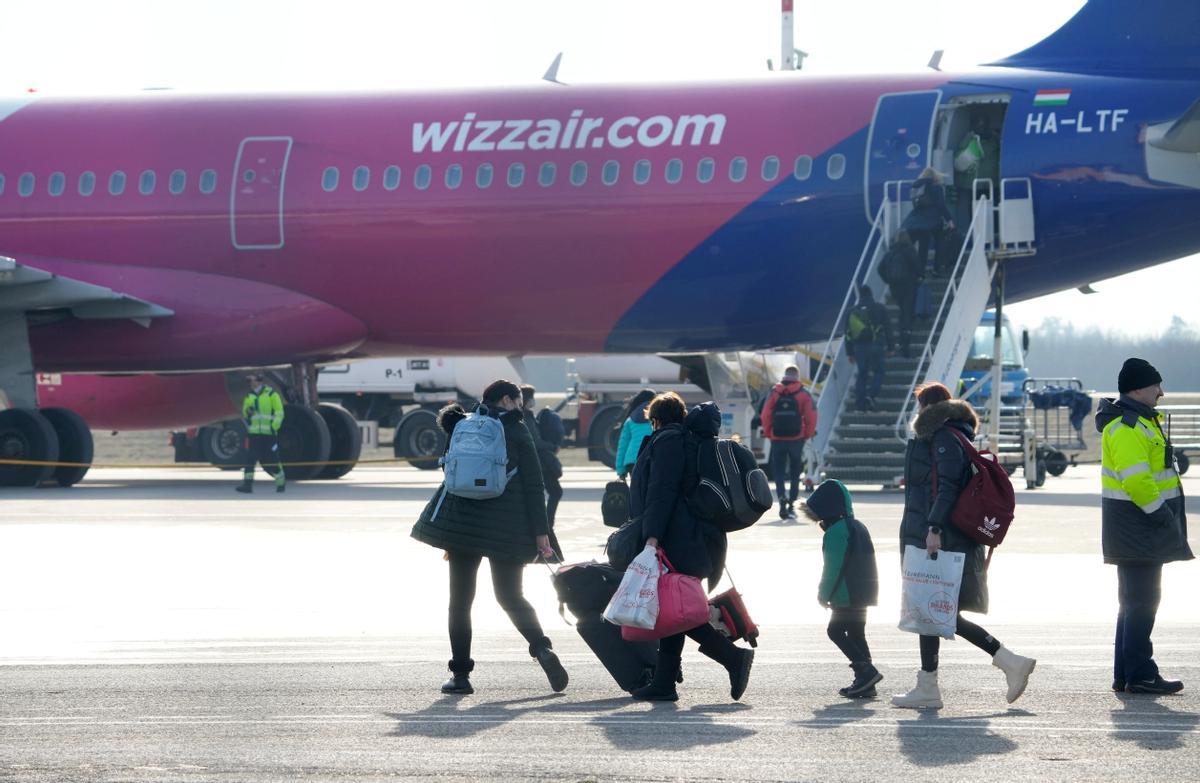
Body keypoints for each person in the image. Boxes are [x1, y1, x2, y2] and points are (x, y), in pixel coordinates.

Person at [411, 379, 567, 696]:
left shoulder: (463, 427)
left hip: (463, 529)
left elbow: (450, 474)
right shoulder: (517, 429)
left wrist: (448, 530)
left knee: (460, 602)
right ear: (507, 400)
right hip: (506, 530)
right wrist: (541, 535)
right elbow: (536, 486)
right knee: (510, 596)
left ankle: (460, 675)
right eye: (519, 401)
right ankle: (541, 648)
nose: (521, 407)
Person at [891, 381, 1036, 709]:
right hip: (939, 534)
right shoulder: (954, 435)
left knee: (934, 609)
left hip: (938, 536)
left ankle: (1007, 660)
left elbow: (948, 486)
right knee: (929, 610)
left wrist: (933, 527)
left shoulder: (942, 437)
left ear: (926, 408)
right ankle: (929, 685)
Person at [626, 393, 756, 702]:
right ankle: (664, 682)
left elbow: (661, 491)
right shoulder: (686, 441)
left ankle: (732, 658)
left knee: (678, 609)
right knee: (672, 607)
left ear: (655, 419)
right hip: (695, 536)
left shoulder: (669, 442)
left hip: (678, 537)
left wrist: (652, 536)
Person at [1095, 358, 1193, 694]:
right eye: (1156, 386)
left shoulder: (1139, 424)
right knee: (1143, 602)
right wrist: (1161, 515)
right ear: (1137, 388)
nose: (1161, 392)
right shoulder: (1128, 427)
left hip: (1134, 528)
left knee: (1133, 602)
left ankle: (1127, 674)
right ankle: (1140, 673)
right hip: (1139, 527)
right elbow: (1136, 480)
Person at [804, 479, 881, 698]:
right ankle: (866, 682)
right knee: (857, 633)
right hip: (864, 591)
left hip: (847, 592)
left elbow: (833, 567)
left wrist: (823, 594)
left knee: (835, 631)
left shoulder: (836, 532)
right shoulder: (858, 525)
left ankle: (866, 672)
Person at [760, 366, 817, 519]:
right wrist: (807, 434)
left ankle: (781, 498)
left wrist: (768, 432)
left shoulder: (775, 392)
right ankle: (792, 502)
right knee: (795, 472)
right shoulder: (803, 393)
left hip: (777, 438)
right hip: (796, 438)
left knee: (778, 471)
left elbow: (765, 414)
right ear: (797, 376)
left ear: (785, 375)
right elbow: (811, 415)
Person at [521, 384, 564, 535]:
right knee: (555, 492)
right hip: (539, 463)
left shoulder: (526, 416)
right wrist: (553, 446)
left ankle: (545, 524)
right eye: (532, 397)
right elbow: (536, 441)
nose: (533, 401)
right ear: (526, 399)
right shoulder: (525, 417)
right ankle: (547, 525)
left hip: (537, 462)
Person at [845, 285, 893, 412]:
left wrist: (849, 353)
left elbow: (847, 334)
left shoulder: (852, 311)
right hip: (876, 346)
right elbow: (888, 328)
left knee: (862, 375)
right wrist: (891, 347)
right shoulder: (879, 308)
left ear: (860, 296)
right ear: (871, 294)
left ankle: (860, 406)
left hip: (859, 348)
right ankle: (871, 395)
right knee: (879, 371)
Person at [237, 372, 285, 493]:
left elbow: (279, 413)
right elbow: (245, 413)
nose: (250, 383)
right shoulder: (250, 396)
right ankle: (247, 485)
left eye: (251, 380)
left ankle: (280, 482)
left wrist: (274, 427)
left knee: (273, 460)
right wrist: (248, 412)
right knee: (250, 459)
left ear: (259, 381)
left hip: (269, 434)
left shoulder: (272, 395)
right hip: (254, 434)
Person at [878, 231, 924, 356]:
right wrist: (921, 277)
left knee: (903, 311)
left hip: (895, 288)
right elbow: (917, 266)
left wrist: (888, 280)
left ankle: (901, 336)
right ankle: (905, 344)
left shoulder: (891, 253)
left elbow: (880, 269)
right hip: (908, 286)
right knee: (907, 313)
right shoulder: (909, 250)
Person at [902, 166, 954, 272]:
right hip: (932, 220)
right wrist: (949, 220)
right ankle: (938, 268)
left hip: (916, 220)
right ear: (935, 176)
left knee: (923, 246)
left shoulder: (916, 186)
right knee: (940, 240)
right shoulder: (936, 186)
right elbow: (941, 205)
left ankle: (920, 272)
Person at [953, 114, 1000, 231]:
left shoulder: (972, 140)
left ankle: (981, 233)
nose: (981, 128)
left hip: (977, 184)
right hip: (984, 184)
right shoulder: (993, 141)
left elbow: (960, 160)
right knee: (986, 211)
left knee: (977, 212)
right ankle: (987, 233)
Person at [615, 388, 656, 479]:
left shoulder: (630, 420)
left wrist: (620, 470)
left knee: (636, 492)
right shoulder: (658, 417)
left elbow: (622, 446)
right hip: (651, 460)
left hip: (631, 462)